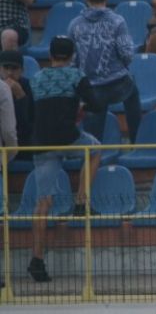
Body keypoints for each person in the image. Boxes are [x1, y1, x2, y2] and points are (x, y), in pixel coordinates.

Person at [25, 37, 100, 284]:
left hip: (41, 143)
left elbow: (30, 114)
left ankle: (37, 259)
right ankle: (81, 201)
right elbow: (96, 104)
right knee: (95, 150)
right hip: (69, 137)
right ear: (72, 56)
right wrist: (81, 106)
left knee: (42, 202)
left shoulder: (36, 78)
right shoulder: (76, 76)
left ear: (50, 54)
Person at [69, 0, 142, 145]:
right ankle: (136, 141)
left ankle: (94, 151)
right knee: (133, 92)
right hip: (118, 83)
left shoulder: (74, 25)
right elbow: (127, 54)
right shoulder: (118, 21)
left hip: (90, 87)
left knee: (94, 139)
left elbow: (73, 62)